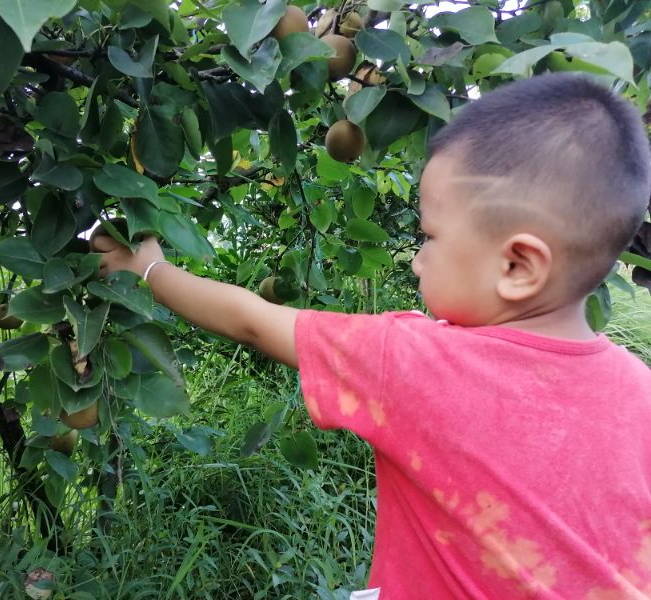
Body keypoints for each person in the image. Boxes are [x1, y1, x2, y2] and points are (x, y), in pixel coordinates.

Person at [93, 73, 651, 599]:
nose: (417, 261)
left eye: (429, 236)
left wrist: (147, 269)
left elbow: (252, 320)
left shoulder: (416, 364)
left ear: (518, 267)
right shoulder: (641, 392)